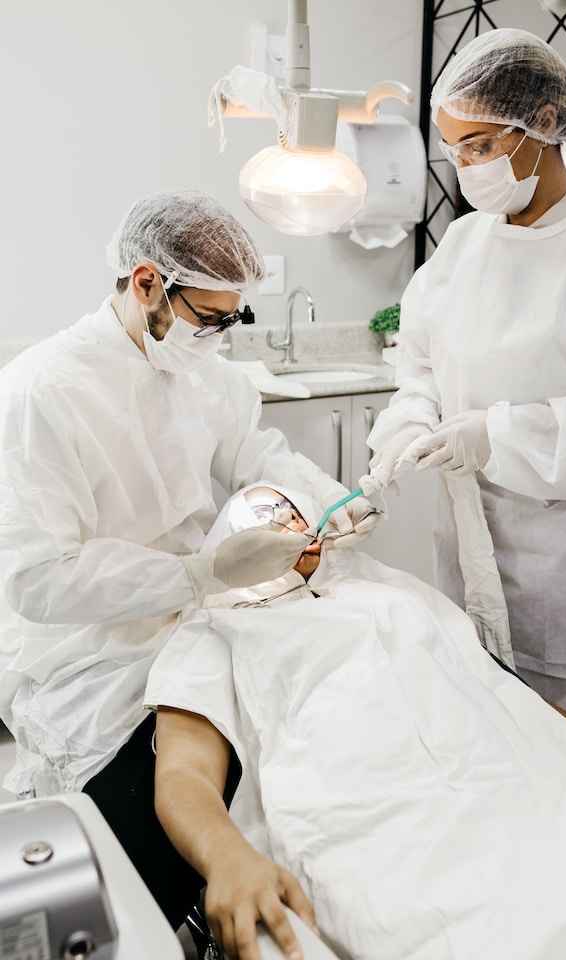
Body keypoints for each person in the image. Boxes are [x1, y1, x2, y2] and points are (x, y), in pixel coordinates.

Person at [0, 188, 380, 932]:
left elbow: (257, 456)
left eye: (235, 317)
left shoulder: (209, 374)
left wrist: (337, 499)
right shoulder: (43, 391)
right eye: (210, 317)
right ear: (146, 284)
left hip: (204, 618)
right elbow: (37, 581)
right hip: (90, 651)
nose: (221, 335)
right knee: (168, 813)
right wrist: (198, 574)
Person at [146, 483, 566, 960]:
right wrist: (225, 856)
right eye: (267, 518)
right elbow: (182, 771)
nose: (291, 524)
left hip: (507, 781)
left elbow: (493, 687)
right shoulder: (214, 628)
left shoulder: (381, 589)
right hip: (368, 813)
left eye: (294, 511)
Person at [366, 28, 566, 740]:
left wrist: (495, 435)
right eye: (455, 150)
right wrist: (408, 420)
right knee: (491, 729)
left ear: (544, 124)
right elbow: (420, 359)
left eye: (480, 146)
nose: (465, 168)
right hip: (468, 545)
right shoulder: (465, 242)